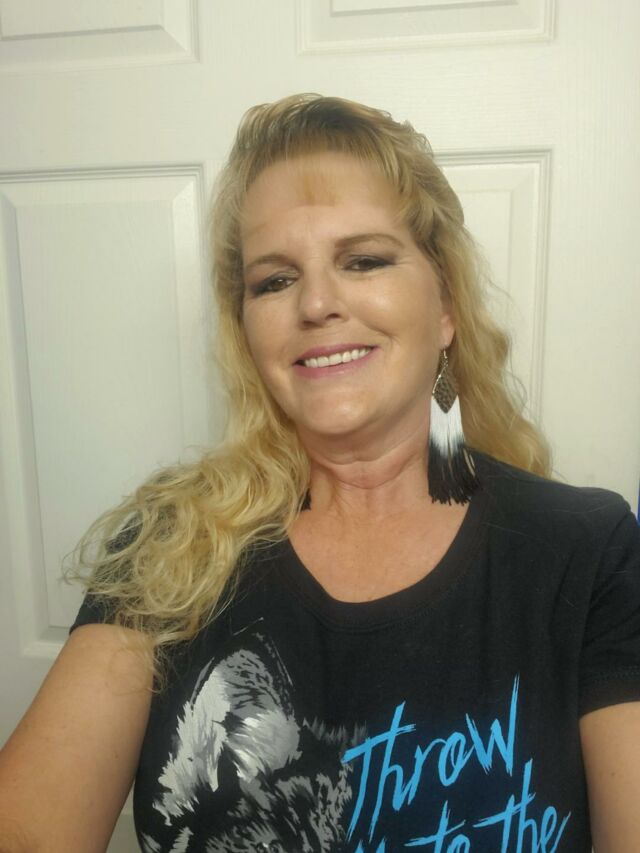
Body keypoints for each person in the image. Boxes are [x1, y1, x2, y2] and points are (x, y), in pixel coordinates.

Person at [0, 94, 639, 853]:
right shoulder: (168, 548)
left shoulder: (588, 550)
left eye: (363, 260)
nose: (315, 303)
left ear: (444, 305)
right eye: (274, 280)